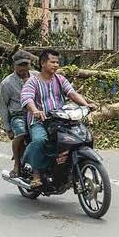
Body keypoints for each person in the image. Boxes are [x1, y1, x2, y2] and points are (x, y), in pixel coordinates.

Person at [20, 49, 94, 188]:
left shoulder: (60, 80)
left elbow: (71, 93)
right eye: (52, 62)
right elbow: (27, 98)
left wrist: (86, 105)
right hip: (40, 121)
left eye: (57, 62)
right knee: (40, 140)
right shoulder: (32, 82)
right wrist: (35, 110)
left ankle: (69, 166)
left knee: (80, 136)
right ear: (42, 63)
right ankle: (36, 174)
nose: (55, 65)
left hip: (60, 119)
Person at [0, 50, 38, 178]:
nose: (23, 68)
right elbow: (3, 106)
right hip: (18, 115)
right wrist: (7, 128)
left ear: (30, 64)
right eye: (20, 65)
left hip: (36, 112)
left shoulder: (37, 77)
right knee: (21, 133)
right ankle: (16, 164)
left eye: (25, 64)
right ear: (14, 65)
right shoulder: (7, 83)